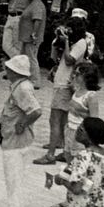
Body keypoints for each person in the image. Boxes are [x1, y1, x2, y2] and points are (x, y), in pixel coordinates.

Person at [35, 10, 95, 166]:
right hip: (60, 82)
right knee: (61, 120)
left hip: (64, 85)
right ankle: (62, 147)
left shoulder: (80, 43)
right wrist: (57, 41)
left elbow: (69, 60)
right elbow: (54, 58)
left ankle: (50, 154)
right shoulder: (75, 42)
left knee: (55, 119)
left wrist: (67, 41)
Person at [0, 55, 41, 207]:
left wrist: (22, 124)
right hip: (12, 139)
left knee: (14, 180)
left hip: (16, 141)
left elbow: (36, 111)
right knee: (13, 180)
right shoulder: (18, 86)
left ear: (14, 71)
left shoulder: (22, 89)